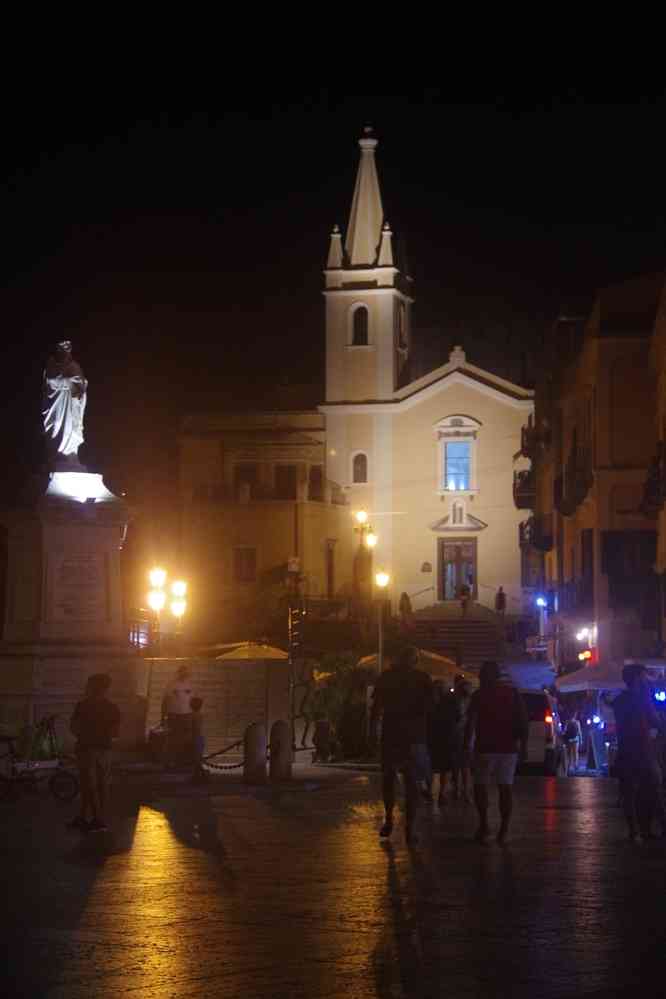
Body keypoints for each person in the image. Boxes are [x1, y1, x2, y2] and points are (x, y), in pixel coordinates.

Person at [370, 646, 433, 845]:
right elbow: (429, 709)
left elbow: (376, 708)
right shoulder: (422, 679)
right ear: (415, 661)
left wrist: (372, 732)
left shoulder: (386, 677)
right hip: (414, 737)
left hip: (391, 736)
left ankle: (389, 818)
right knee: (411, 784)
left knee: (388, 780)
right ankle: (409, 828)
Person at [465, 661, 528, 844]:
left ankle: (484, 824)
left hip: (485, 747)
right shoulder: (512, 693)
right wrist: (522, 746)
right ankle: (504, 828)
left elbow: (471, 723)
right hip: (508, 748)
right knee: (505, 788)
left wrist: (466, 746)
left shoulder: (479, 695)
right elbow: (523, 721)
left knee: (480, 787)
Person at [613, 663, 665, 842]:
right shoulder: (642, 700)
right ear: (636, 679)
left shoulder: (620, 700)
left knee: (631, 791)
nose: (646, 681)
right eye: (644, 677)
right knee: (653, 789)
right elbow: (656, 722)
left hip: (626, 749)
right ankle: (649, 828)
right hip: (642, 750)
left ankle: (636, 830)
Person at [68, 673, 121, 833]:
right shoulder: (113, 708)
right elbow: (115, 732)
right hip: (104, 749)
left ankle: (93, 819)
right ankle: (94, 818)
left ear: (92, 687)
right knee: (101, 785)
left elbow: (74, 728)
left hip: (85, 748)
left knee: (87, 785)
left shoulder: (82, 705)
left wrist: (86, 733)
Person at [42, 340, 88, 465]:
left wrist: (80, 384)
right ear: (58, 348)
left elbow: (82, 383)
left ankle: (71, 455)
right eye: (63, 346)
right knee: (57, 426)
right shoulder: (52, 363)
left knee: (72, 428)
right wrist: (69, 381)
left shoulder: (74, 365)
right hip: (57, 404)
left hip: (72, 405)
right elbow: (50, 381)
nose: (66, 348)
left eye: (68, 346)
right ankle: (57, 456)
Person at [426, 680, 459, 804]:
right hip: (444, 737)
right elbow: (457, 717)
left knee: (437, 766)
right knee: (443, 767)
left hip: (437, 737)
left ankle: (436, 791)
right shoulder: (450, 701)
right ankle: (440, 793)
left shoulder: (432, 702)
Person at [162, 665, 195, 766]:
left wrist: (193, 715)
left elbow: (193, 700)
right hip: (174, 715)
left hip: (187, 715)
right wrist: (163, 716)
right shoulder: (172, 684)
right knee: (173, 739)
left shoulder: (190, 684)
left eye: (186, 672)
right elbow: (165, 700)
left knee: (185, 739)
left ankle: (182, 761)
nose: (184, 674)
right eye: (182, 672)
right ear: (179, 673)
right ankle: (170, 761)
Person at [452, 677, 473, 802]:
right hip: (464, 736)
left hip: (460, 735)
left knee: (459, 765)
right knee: (464, 766)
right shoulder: (469, 702)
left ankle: (459, 790)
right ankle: (463, 791)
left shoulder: (455, 701)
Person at [190, 697, 208, 782]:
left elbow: (195, 728)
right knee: (198, 758)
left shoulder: (193, 715)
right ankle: (198, 775)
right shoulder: (200, 715)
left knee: (196, 759)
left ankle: (199, 776)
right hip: (201, 737)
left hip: (196, 737)